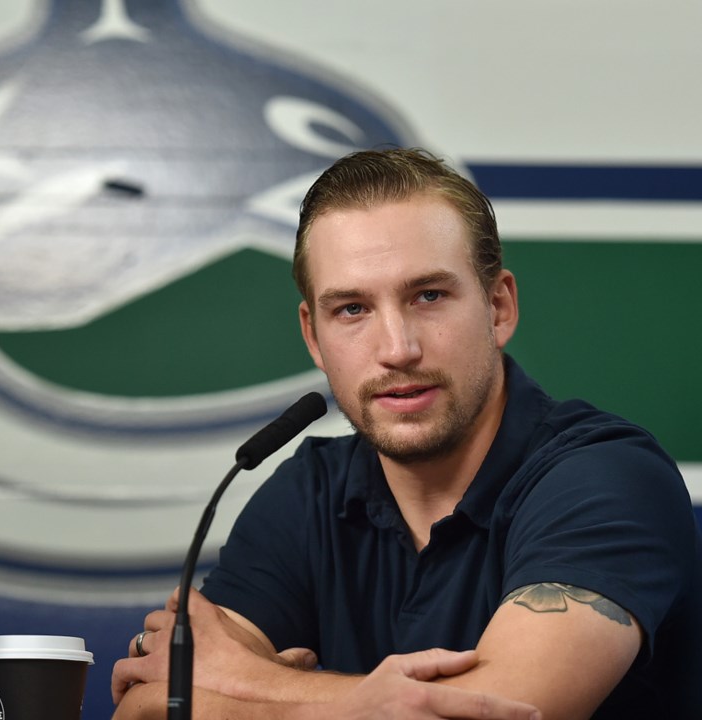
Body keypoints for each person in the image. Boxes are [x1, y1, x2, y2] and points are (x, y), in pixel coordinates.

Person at [111, 148, 702, 719]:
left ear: (498, 307)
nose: (398, 349)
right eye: (351, 309)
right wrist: (355, 706)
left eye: (429, 295)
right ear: (314, 336)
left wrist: (250, 685)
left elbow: (497, 715)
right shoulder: (309, 492)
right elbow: (144, 707)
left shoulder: (606, 477)